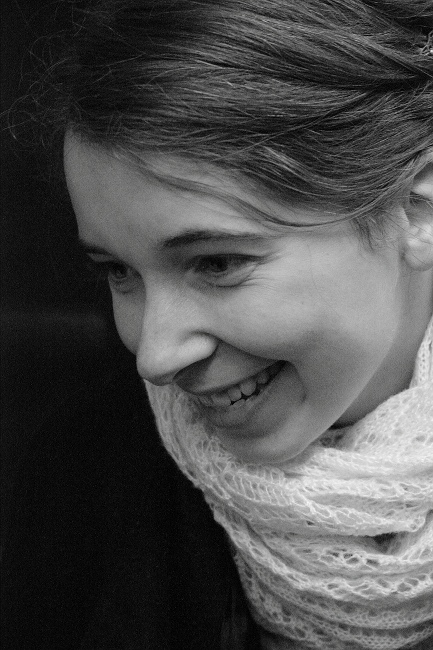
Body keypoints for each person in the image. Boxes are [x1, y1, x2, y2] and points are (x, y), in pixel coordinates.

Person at [2, 1, 433, 648]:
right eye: (119, 272)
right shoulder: (74, 486)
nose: (154, 356)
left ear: (417, 212)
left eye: (217, 263)